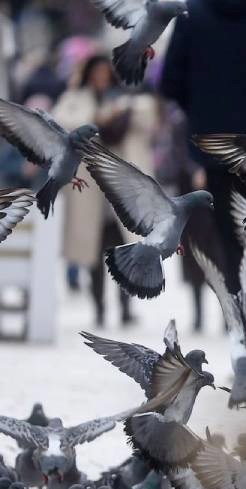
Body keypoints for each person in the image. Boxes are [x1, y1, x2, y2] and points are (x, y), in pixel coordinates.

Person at [159, 0, 246, 349]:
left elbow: (170, 82)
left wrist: (203, 115)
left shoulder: (193, 15)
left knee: (232, 248)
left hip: (214, 149)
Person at [54, 54, 132, 327]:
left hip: (118, 184)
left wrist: (119, 113)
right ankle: (99, 305)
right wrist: (96, 117)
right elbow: (60, 121)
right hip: (90, 186)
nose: (100, 77)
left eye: (104, 72)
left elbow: (146, 120)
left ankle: (126, 306)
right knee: (94, 250)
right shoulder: (76, 98)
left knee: (125, 250)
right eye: (95, 72)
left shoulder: (122, 97)